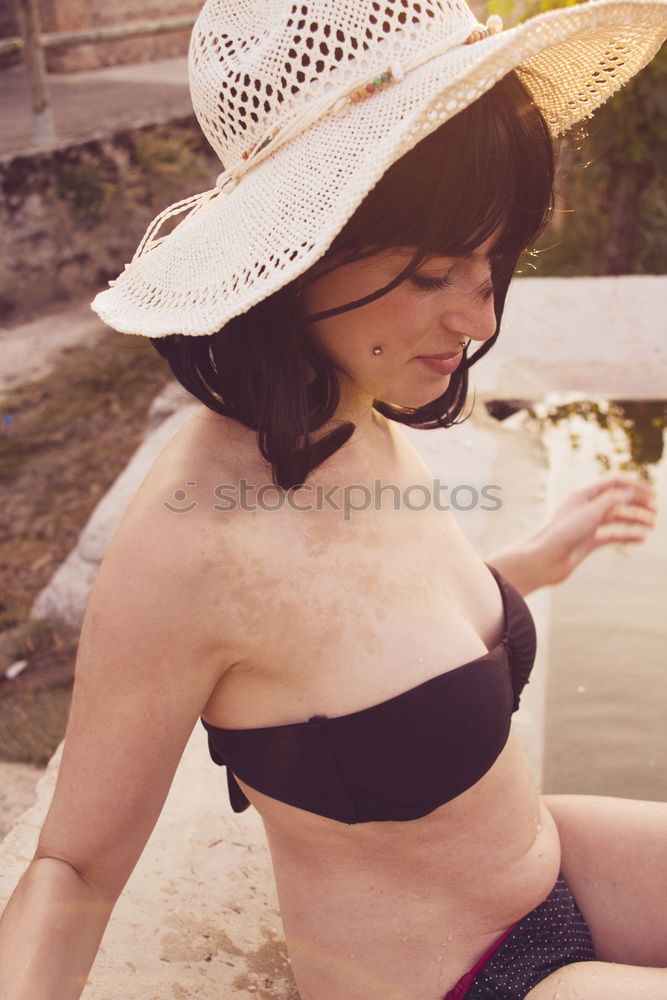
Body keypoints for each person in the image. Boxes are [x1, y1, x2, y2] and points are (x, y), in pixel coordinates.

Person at [1, 1, 666, 998]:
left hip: (552, 859)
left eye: (493, 262)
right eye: (435, 272)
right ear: (302, 254)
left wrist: (531, 562)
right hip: (469, 977)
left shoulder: (355, 404)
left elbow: (365, 648)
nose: (480, 316)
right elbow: (76, 862)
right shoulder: (196, 538)